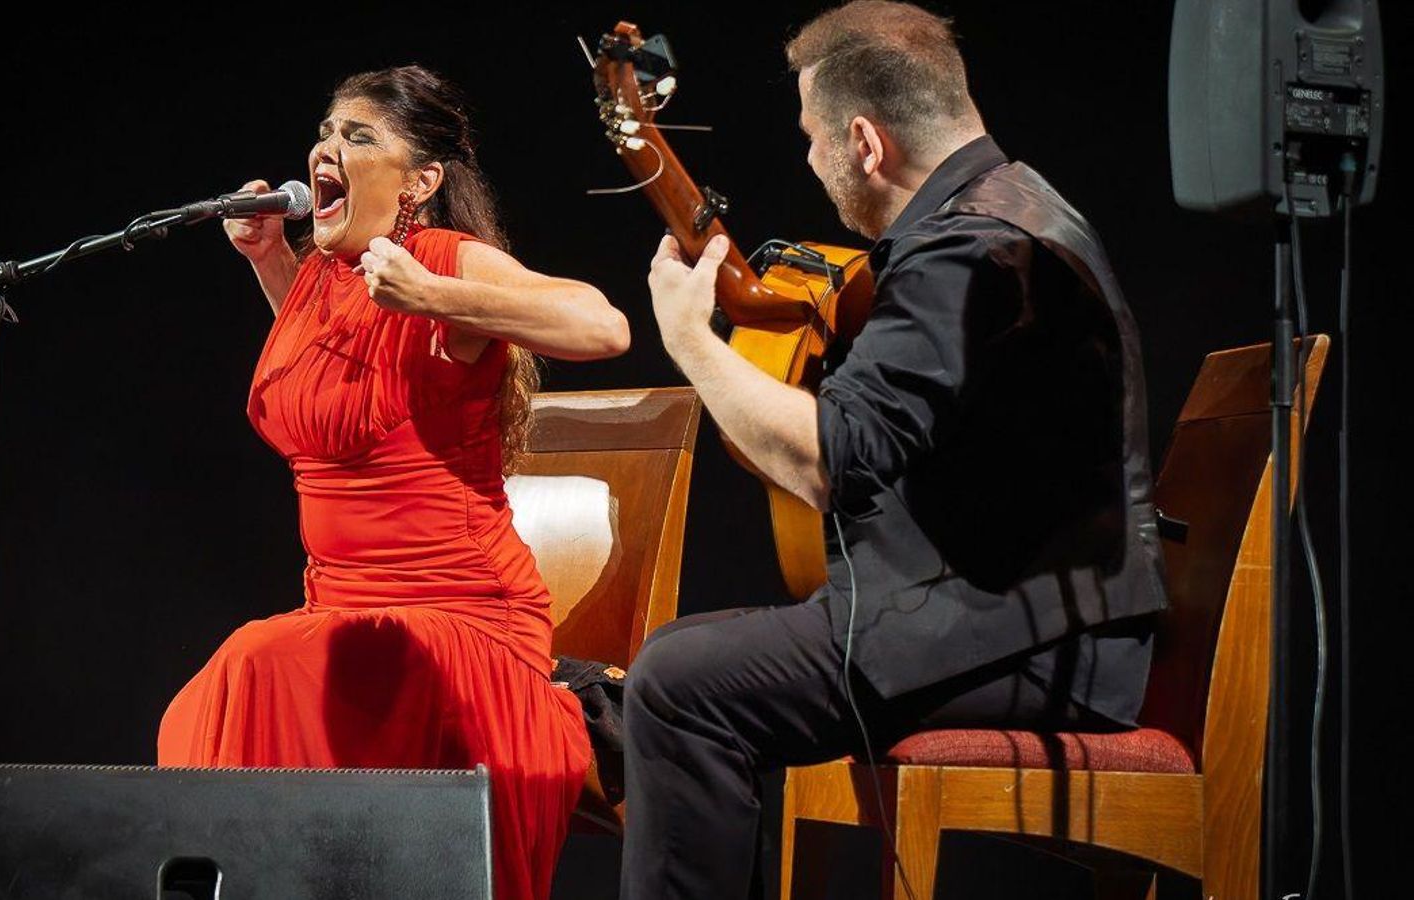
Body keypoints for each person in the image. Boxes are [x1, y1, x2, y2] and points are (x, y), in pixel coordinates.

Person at [622, 3, 1168, 897]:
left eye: (811, 137)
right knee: (680, 658)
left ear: (865, 143)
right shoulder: (1014, 208)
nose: (808, 158)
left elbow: (828, 461)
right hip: (1035, 621)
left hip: (1027, 643)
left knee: (678, 686)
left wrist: (691, 341)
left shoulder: (970, 249)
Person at [156, 65, 629, 900]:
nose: (326, 149)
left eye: (359, 135)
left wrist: (438, 293)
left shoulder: (440, 259)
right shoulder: (323, 278)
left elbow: (604, 325)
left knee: (252, 665)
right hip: (343, 610)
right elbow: (340, 388)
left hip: (461, 623)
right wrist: (271, 260)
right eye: (327, 131)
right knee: (238, 686)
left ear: (422, 180)